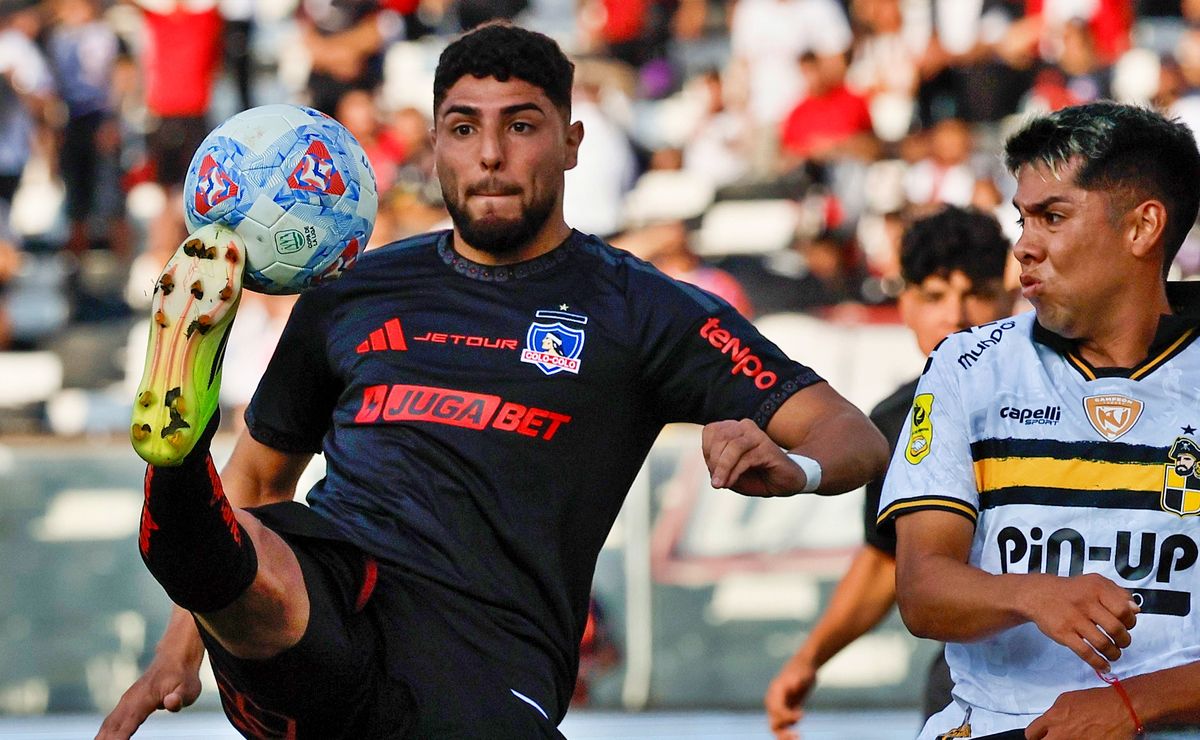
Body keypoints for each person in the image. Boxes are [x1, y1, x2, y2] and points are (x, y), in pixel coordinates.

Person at [100, 22, 889, 739]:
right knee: (260, 575)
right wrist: (181, 651)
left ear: (572, 141)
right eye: (463, 128)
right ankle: (176, 446)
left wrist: (799, 467)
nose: (489, 155)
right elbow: (259, 480)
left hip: (488, 662)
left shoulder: (643, 309)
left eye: (520, 125)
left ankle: (178, 478)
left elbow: (853, 436)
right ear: (435, 146)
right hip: (341, 588)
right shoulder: (351, 290)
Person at [879, 100, 1200, 739]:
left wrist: (1135, 704)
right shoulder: (966, 368)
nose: (1023, 247)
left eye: (1052, 217)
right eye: (1022, 218)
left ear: (1143, 228)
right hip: (996, 725)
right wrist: (1032, 593)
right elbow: (920, 590)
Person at [763, 205, 1015, 739]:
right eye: (933, 295)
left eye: (977, 293)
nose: (957, 314)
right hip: (966, 684)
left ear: (1009, 298)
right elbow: (883, 562)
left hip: (1086, 673)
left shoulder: (1065, 390)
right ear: (904, 305)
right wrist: (810, 658)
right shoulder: (897, 419)